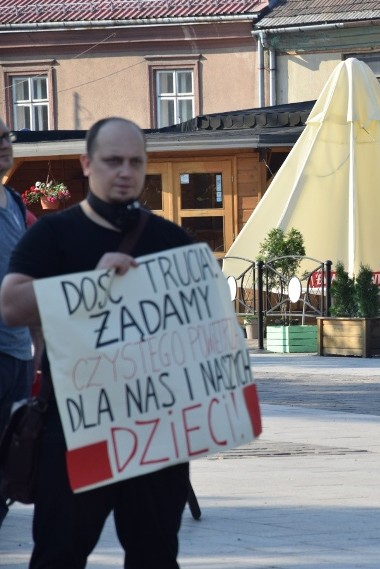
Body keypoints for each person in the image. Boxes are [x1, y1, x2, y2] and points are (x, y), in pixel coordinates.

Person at [0, 117, 193, 568]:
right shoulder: (52, 234)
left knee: (156, 555)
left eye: (134, 162)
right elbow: (11, 305)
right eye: (112, 161)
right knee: (60, 555)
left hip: (154, 430)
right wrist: (91, 283)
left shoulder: (170, 238)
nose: (124, 171)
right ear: (87, 164)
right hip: (74, 426)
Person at [0, 119, 35, 528]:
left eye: (7, 136)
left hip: (18, 350)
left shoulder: (13, 201)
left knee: (13, 450)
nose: (4, 144)